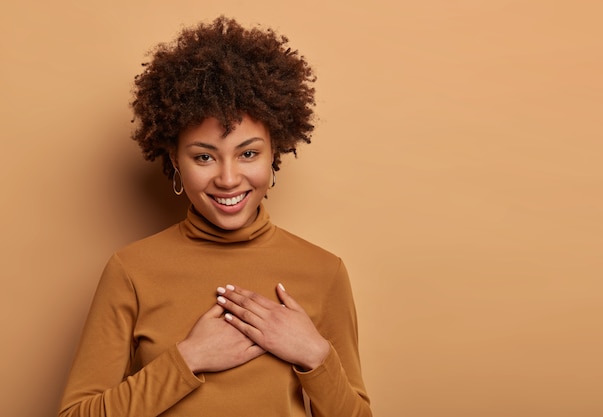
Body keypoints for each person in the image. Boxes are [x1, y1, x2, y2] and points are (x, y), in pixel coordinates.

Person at [58, 16, 372, 417]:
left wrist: (314, 354)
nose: (227, 179)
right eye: (204, 156)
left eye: (248, 153)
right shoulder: (130, 271)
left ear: (274, 154)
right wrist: (188, 359)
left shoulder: (324, 272)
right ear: (175, 160)